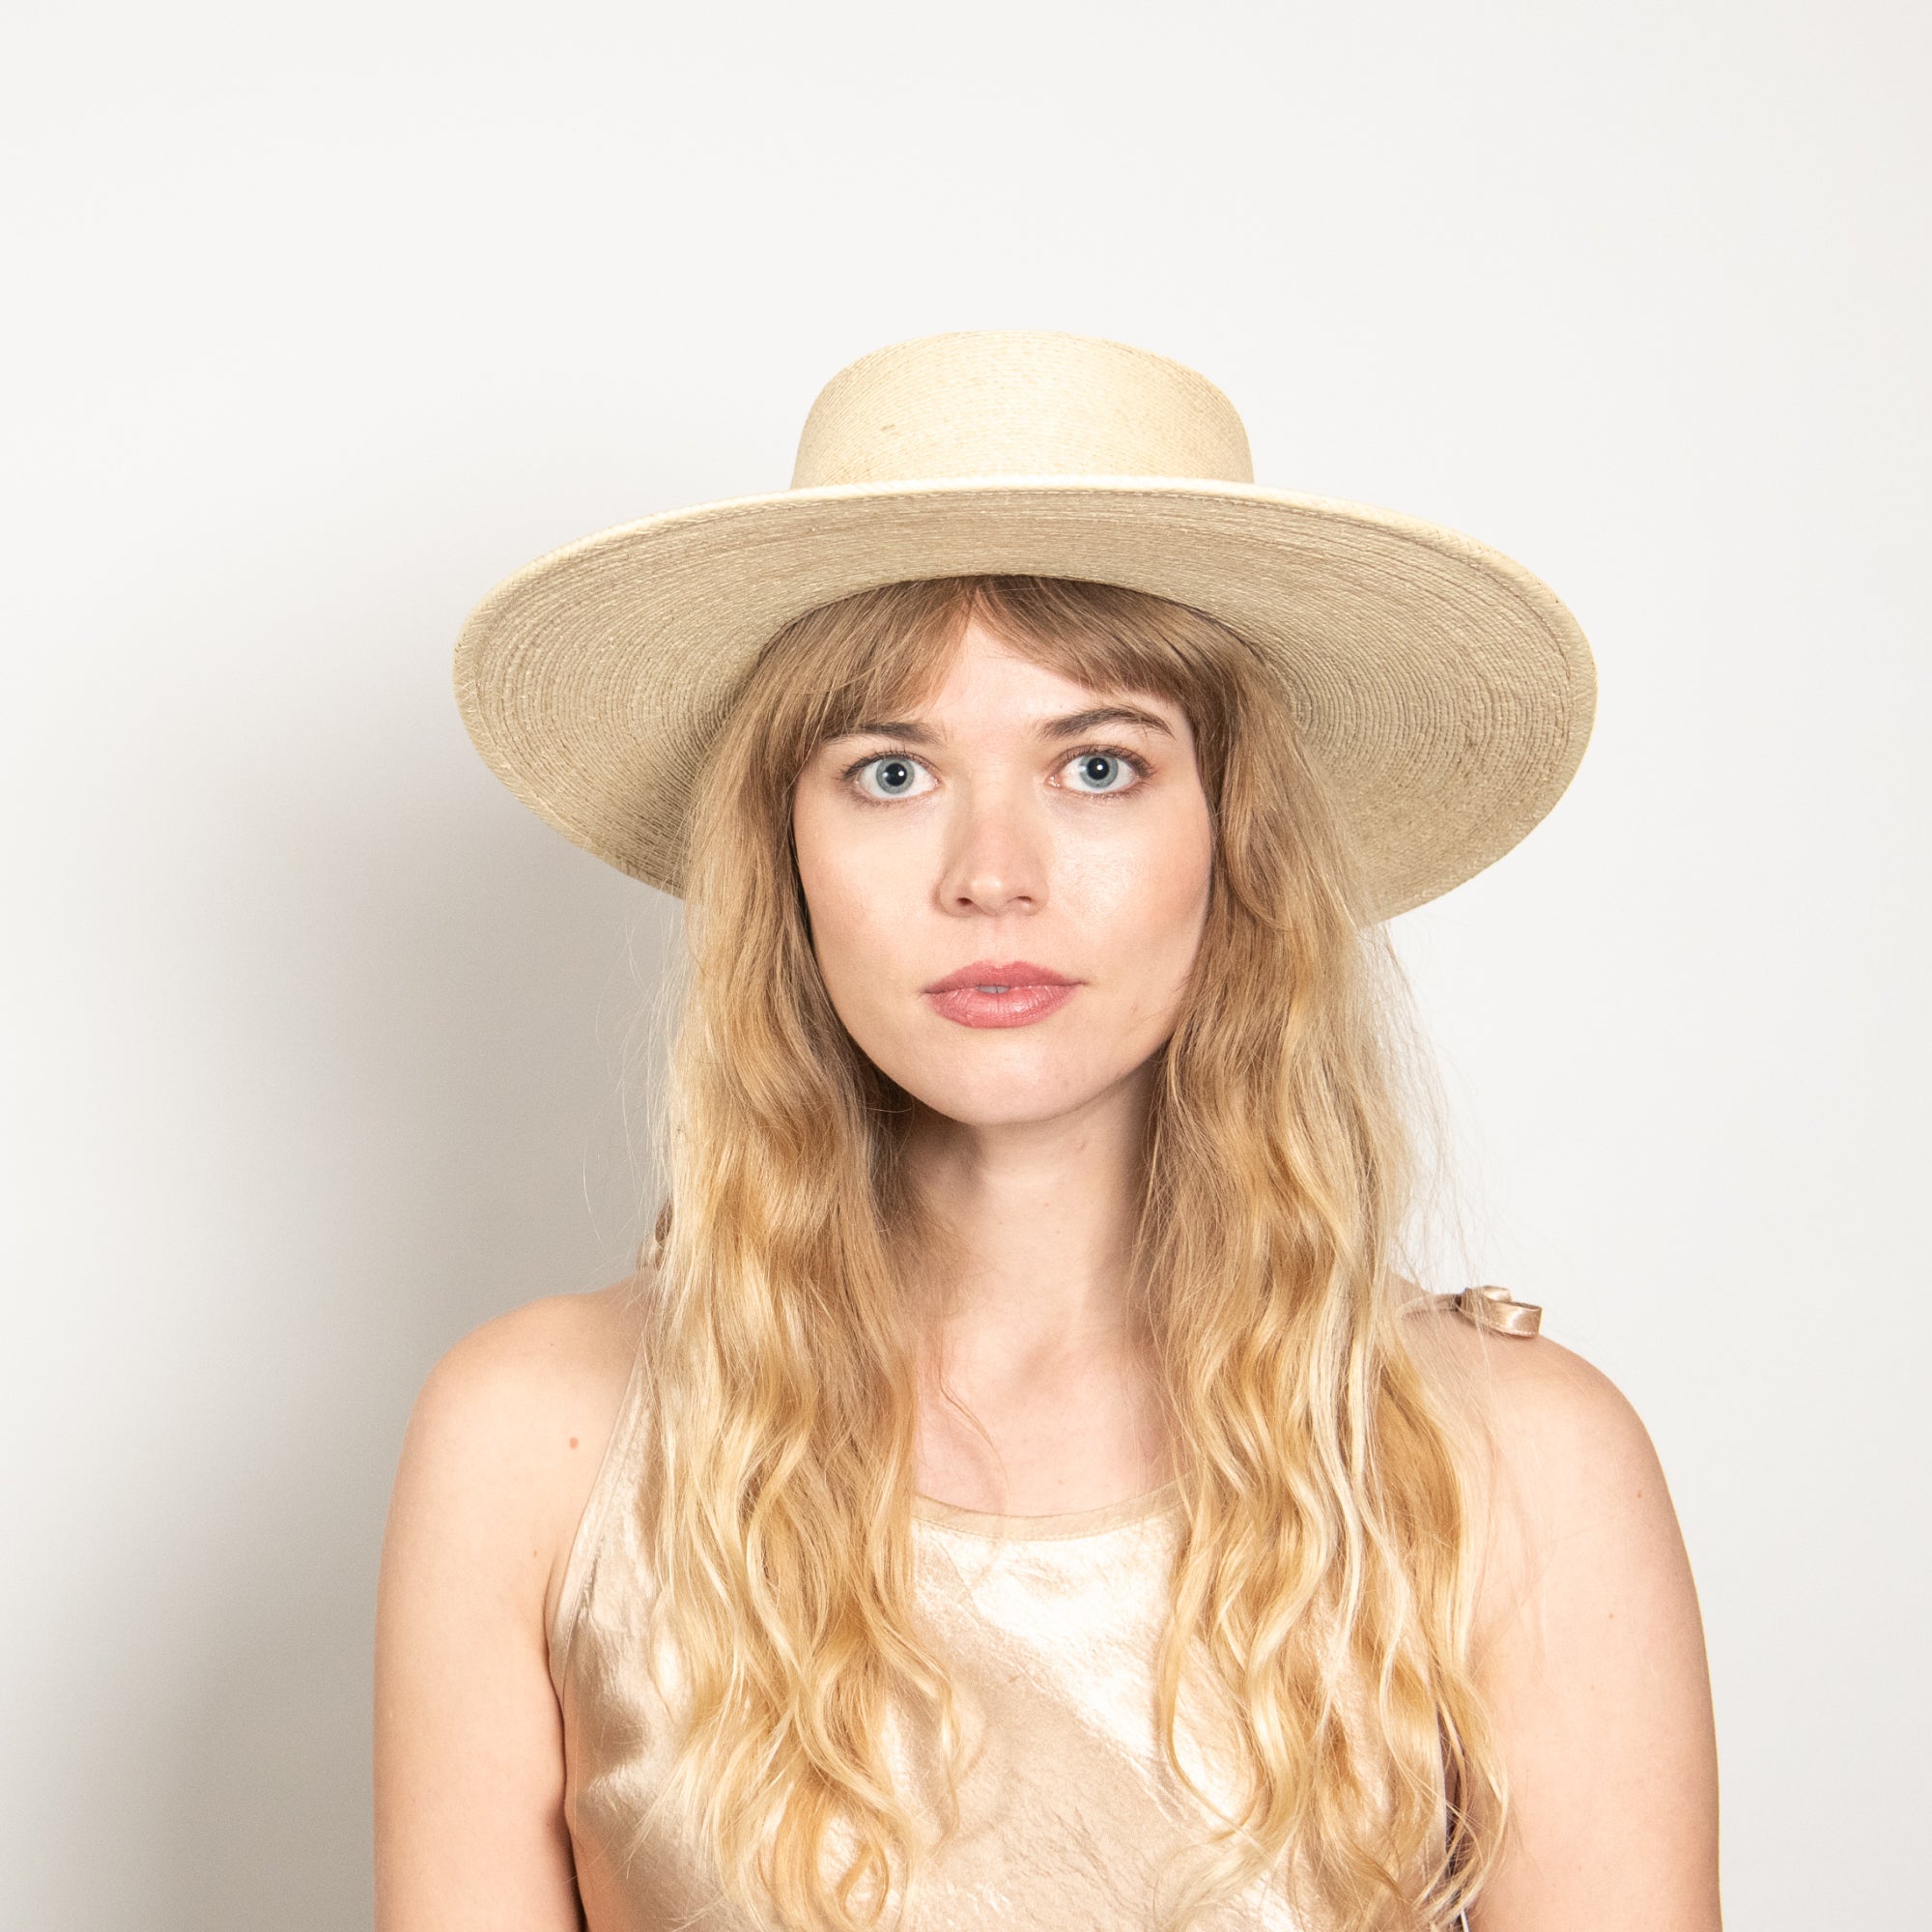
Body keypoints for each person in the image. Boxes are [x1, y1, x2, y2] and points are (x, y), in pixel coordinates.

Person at [375, 332, 1721, 1932]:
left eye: (1098, 765)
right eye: (890, 771)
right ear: (782, 858)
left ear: (1238, 846)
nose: (989, 873)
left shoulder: (1515, 1466)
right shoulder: (539, 1443)